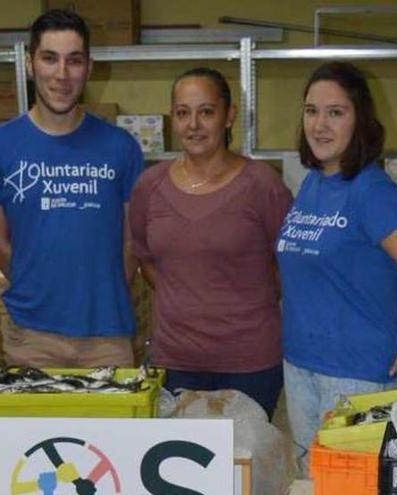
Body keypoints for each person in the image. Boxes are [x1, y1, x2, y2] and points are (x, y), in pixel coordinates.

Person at [276, 62, 397, 473]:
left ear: (360, 120)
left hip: (356, 376)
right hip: (302, 364)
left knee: (349, 483)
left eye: (336, 112)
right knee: (315, 479)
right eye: (311, 111)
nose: (320, 125)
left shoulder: (372, 192)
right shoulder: (313, 183)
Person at [0, 9, 144, 368]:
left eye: (74, 60)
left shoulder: (121, 147)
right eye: (50, 59)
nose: (62, 75)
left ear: (89, 67)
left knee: (108, 427)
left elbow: (132, 241)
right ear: (30, 63)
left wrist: (102, 294)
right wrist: (41, 290)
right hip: (31, 338)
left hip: (108, 338)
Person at [129, 68, 293, 418]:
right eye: (183, 113)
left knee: (244, 467)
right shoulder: (150, 186)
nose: (194, 125)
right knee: (178, 468)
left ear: (229, 115)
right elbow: (147, 262)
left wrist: (242, 303)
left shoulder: (262, 185)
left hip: (249, 364)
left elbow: (289, 264)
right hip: (174, 362)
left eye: (206, 112)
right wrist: (188, 298)